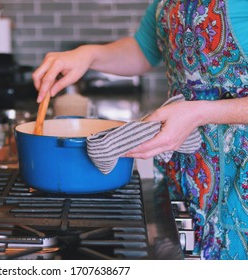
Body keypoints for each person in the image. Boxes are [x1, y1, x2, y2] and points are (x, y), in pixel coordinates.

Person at [32, 0, 248, 260]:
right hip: (185, 166)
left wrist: (201, 112)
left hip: (239, 178)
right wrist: (89, 54)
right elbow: (144, 51)